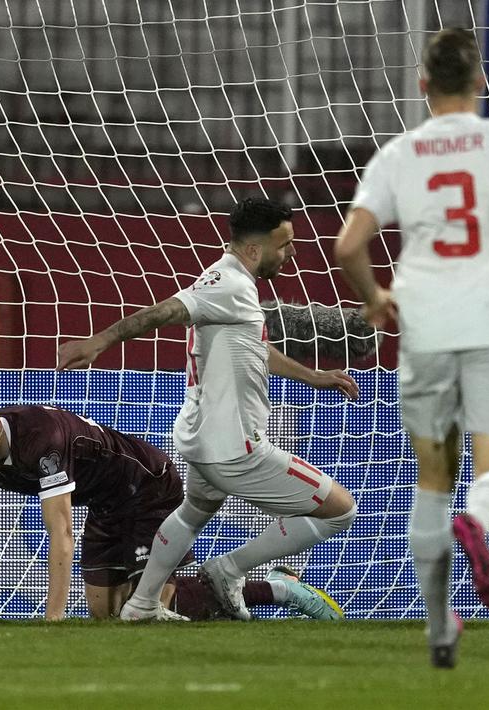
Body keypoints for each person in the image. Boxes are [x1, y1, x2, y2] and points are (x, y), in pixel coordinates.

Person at [334, 29, 489, 668]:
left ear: (422, 86)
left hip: (427, 329)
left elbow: (348, 244)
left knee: (432, 477)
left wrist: (375, 297)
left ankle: (440, 629)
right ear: (483, 84)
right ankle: (479, 521)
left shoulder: (399, 153)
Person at [57, 197, 360, 623]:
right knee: (340, 510)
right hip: (235, 448)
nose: (291, 252)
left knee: (192, 513)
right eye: (285, 244)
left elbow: (256, 347)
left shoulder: (236, 286)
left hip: (201, 442)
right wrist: (99, 342)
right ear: (255, 249)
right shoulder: (227, 282)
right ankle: (229, 569)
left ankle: (142, 605)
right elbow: (165, 312)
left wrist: (314, 376)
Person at [0, 388, 340, 622]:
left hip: (147, 485)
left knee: (147, 610)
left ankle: (279, 589)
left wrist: (54, 618)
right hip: (105, 502)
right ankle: (261, 586)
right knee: (109, 616)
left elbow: (61, 532)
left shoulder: (41, 439)